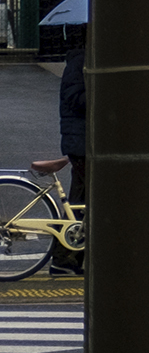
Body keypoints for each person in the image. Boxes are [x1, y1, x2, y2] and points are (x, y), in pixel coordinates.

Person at [49, 33, 84, 274]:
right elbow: (76, 98)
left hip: (81, 140)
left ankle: (66, 258)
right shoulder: (79, 63)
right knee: (81, 202)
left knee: (80, 201)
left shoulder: (82, 60)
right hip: (80, 141)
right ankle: (63, 258)